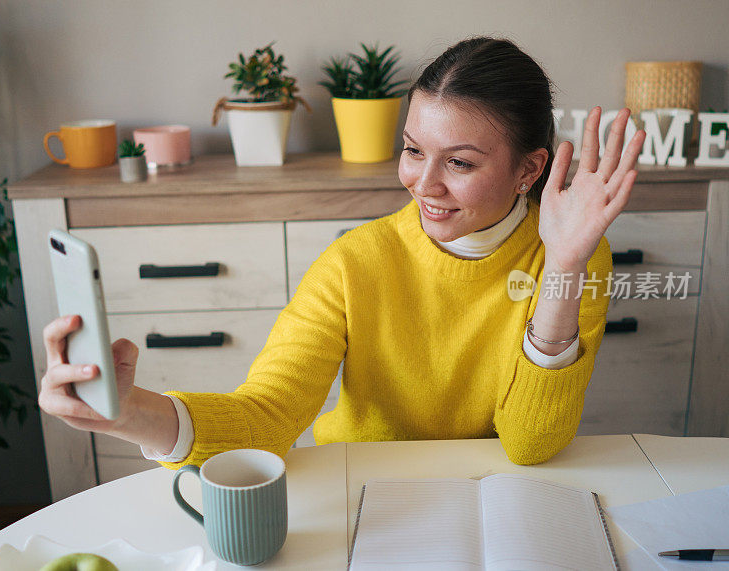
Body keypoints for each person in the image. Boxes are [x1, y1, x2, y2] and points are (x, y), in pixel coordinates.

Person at [38, 36, 645, 467]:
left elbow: (530, 444)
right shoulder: (357, 262)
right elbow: (269, 414)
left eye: (458, 162)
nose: (423, 184)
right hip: (359, 486)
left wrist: (564, 268)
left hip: (488, 493)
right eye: (412, 151)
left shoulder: (572, 257)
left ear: (528, 169)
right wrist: (132, 414)